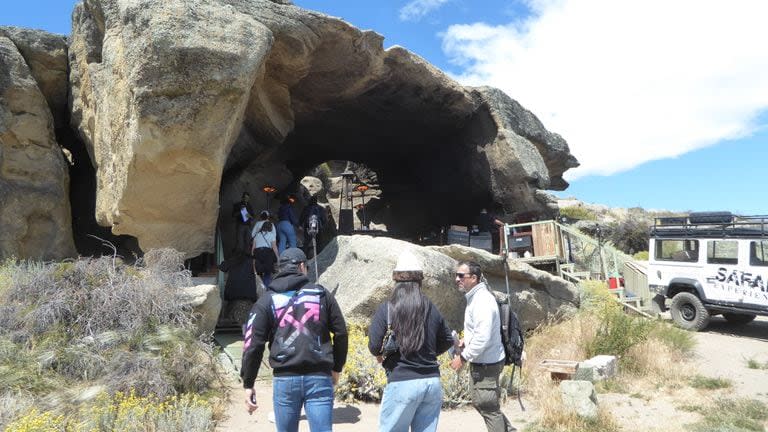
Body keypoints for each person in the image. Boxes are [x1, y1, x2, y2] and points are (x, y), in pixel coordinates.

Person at [242, 248, 348, 432]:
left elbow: (253, 344)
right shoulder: (322, 295)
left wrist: (248, 383)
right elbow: (341, 333)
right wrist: (337, 367)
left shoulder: (267, 300)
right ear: (302, 267)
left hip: (285, 379)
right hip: (319, 377)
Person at [368, 251, 456, 432]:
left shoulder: (388, 307)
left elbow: (374, 345)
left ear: (396, 281)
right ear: (419, 282)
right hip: (431, 382)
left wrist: (381, 354)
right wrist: (428, 351)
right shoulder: (430, 306)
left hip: (402, 382)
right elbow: (448, 340)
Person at [450, 261, 514, 432]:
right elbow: (479, 331)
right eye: (456, 275)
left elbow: (482, 338)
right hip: (486, 360)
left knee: (487, 406)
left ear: (474, 278)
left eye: (461, 276)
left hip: (487, 363)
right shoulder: (476, 297)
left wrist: (462, 358)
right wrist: (465, 341)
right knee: (485, 404)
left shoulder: (482, 301)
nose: (457, 279)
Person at [251, 210, 279, 287]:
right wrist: (278, 258)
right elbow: (275, 247)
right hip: (267, 254)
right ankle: (266, 288)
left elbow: (253, 248)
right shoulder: (271, 234)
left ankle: (260, 287)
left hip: (258, 254)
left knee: (259, 272)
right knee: (267, 273)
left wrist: (253, 259)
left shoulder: (257, 235)